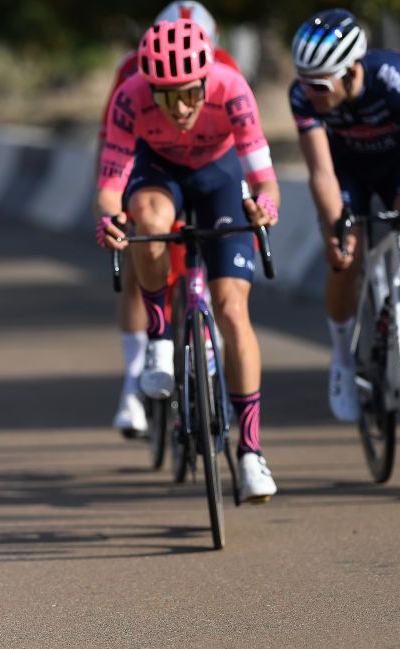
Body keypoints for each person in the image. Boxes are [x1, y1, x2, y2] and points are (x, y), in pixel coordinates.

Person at [96, 19, 280, 502]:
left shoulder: (232, 88)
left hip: (219, 176)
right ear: (148, 87)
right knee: (148, 221)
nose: (179, 108)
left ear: (206, 81)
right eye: (165, 96)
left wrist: (266, 206)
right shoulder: (129, 95)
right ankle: (159, 336)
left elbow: (264, 176)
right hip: (159, 171)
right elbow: (111, 182)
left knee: (233, 310)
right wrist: (110, 219)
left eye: (189, 95)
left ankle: (251, 452)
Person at [289, 9, 400, 422]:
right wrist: (337, 227)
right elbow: (321, 172)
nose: (309, 92)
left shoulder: (393, 77)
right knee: (346, 256)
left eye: (319, 84)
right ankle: (341, 362)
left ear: (352, 70)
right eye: (303, 81)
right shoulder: (303, 95)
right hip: (346, 171)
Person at [94, 1, 240, 438]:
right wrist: (110, 210)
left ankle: (204, 336)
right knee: (142, 263)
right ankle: (132, 385)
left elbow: (244, 140)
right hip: (148, 170)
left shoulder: (226, 68)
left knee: (216, 265)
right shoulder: (129, 71)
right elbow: (109, 145)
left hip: (209, 171)